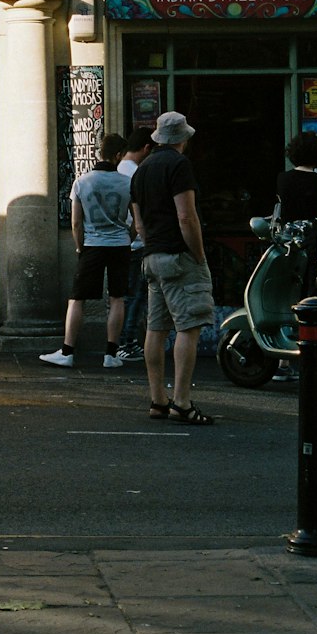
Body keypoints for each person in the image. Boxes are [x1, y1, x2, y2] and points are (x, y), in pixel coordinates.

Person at [131, 110, 215, 425]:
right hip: (178, 256)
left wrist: (153, 246)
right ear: (182, 139)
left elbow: (138, 224)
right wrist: (198, 253)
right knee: (188, 328)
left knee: (156, 328)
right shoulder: (179, 166)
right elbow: (186, 216)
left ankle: (157, 400)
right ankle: (181, 401)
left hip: (151, 257)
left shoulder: (141, 170)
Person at [40, 133, 132, 370]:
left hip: (92, 245)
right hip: (120, 244)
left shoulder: (82, 182)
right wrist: (126, 237)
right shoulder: (127, 183)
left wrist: (80, 246)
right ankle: (111, 354)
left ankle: (68, 351)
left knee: (77, 298)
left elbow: (76, 223)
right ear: (118, 155)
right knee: (117, 298)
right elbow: (136, 221)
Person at [271, 131, 317, 380]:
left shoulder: (282, 179)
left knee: (286, 299)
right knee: (313, 301)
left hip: (288, 249)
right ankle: (314, 358)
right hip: (314, 249)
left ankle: (282, 363)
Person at [115, 127, 154, 361]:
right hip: (136, 243)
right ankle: (126, 342)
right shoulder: (137, 173)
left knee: (129, 295)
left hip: (122, 241)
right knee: (135, 296)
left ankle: (126, 340)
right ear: (146, 148)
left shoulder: (120, 169)